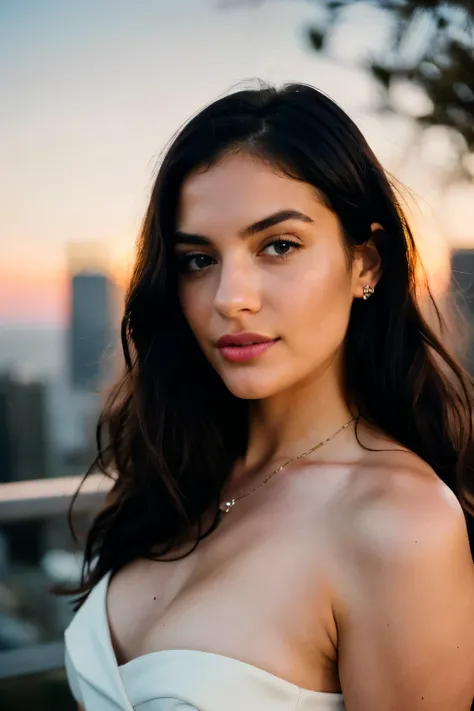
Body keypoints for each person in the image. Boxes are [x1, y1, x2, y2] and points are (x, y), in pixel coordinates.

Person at [63, 81, 474, 711]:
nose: (231, 297)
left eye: (278, 246)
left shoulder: (399, 523)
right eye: (198, 259)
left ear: (364, 263)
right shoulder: (177, 472)